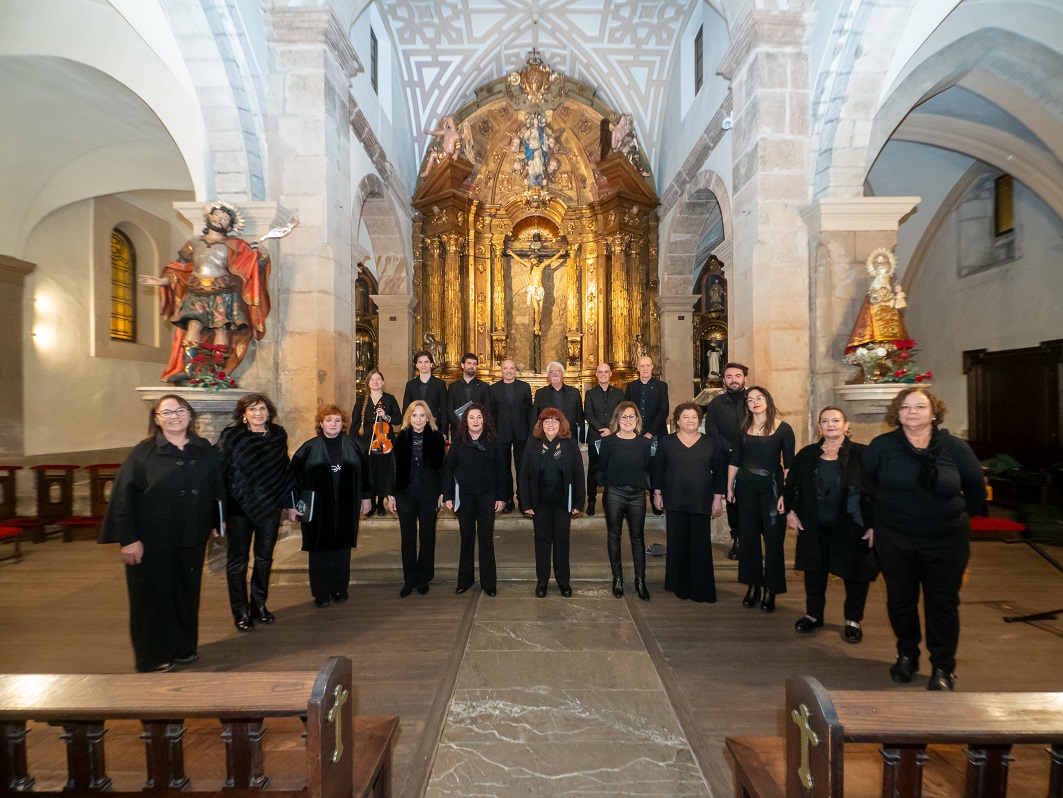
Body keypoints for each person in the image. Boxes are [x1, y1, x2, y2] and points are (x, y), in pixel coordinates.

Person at [865, 387, 986, 691]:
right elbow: (866, 488)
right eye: (905, 407)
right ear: (897, 413)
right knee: (900, 599)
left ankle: (943, 666)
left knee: (942, 603)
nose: (912, 412)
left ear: (934, 413)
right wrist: (873, 525)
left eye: (920, 406)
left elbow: (976, 491)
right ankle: (907, 655)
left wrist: (954, 519)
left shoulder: (956, 448)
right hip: (895, 538)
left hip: (946, 540)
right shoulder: (882, 446)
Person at [99, 394, 224, 673]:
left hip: (192, 534)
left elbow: (216, 486)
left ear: (190, 415)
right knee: (152, 598)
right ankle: (153, 657)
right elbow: (122, 498)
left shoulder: (204, 448)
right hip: (152, 538)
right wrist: (129, 540)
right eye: (166, 412)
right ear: (156, 419)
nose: (174, 416)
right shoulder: (142, 453)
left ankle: (183, 647)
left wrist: (217, 521)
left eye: (180, 410)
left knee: (186, 593)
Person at [139, 201, 270, 384]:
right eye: (216, 215)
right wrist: (162, 281)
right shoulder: (193, 243)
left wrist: (263, 255)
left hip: (223, 291)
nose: (219, 219)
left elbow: (253, 267)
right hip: (196, 290)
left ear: (229, 226)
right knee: (193, 325)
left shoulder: (235, 245)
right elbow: (180, 268)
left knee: (221, 327)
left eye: (224, 218)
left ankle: (217, 371)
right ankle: (189, 369)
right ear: (209, 217)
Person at [784, 407, 877, 643]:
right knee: (814, 571)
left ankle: (853, 620)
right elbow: (791, 485)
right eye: (825, 421)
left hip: (853, 526)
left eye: (836, 420)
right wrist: (791, 512)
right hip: (814, 525)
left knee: (855, 574)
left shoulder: (862, 454)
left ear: (846, 426)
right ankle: (814, 615)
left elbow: (878, 491)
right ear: (819, 427)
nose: (830, 424)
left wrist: (874, 524)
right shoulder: (807, 454)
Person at [216, 393, 296, 632]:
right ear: (243, 414)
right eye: (252, 409)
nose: (258, 413)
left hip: (270, 507)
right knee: (238, 561)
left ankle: (258, 605)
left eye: (262, 408)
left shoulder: (278, 435)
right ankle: (240, 611)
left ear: (269, 412)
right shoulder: (232, 436)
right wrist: (217, 512)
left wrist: (290, 502)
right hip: (238, 508)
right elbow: (220, 472)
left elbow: (284, 470)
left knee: (264, 558)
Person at [291, 405, 372, 607]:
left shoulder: (356, 446)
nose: (333, 424)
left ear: (343, 423)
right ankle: (321, 593)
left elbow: (366, 474)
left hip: (346, 504)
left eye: (337, 420)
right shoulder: (308, 448)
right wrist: (292, 505)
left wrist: (366, 497)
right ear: (321, 423)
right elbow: (293, 478)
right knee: (319, 550)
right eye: (328, 420)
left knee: (342, 549)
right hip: (317, 507)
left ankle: (339, 589)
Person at [727, 386, 795, 613]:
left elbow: (789, 466)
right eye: (750, 399)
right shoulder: (742, 428)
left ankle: (771, 589)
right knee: (748, 539)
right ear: (746, 405)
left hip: (772, 490)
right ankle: (753, 585)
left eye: (759, 398)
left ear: (768, 400)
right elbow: (735, 461)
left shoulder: (784, 429)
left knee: (774, 540)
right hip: (746, 488)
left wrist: (785, 494)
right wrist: (729, 487)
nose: (755, 402)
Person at [651, 403, 728, 603]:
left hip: (701, 500)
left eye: (694, 417)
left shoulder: (710, 443)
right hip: (674, 499)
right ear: (677, 421)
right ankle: (680, 585)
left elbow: (720, 472)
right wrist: (657, 493)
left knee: (700, 545)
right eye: (685, 417)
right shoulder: (667, 442)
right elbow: (658, 469)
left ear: (699, 420)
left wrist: (717, 498)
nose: (690, 421)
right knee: (677, 544)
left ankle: (700, 587)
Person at [519, 408, 585, 598]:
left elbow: (579, 475)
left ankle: (563, 581)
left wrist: (579, 502)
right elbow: (523, 476)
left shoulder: (570, 444)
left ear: (561, 424)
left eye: (554, 421)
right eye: (546, 421)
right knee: (542, 543)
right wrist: (525, 503)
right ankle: (542, 582)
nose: (550, 424)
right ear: (540, 425)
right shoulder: (532, 444)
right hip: (540, 503)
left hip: (563, 503)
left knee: (562, 542)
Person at [443, 404, 507, 596]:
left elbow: (502, 471)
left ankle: (489, 583)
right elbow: (449, 469)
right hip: (465, 497)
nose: (475, 421)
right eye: (471, 417)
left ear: (484, 419)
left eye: (479, 417)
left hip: (487, 495)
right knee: (466, 538)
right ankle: (465, 580)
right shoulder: (458, 441)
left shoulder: (493, 441)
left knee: (486, 539)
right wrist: (448, 496)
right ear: (466, 421)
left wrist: (501, 497)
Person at [387, 401, 446, 597]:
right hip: (405, 494)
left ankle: (423, 578)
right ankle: (409, 580)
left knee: (427, 537)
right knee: (408, 538)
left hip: (429, 494)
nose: (418, 419)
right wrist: (390, 494)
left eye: (422, 415)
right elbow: (392, 467)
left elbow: (443, 468)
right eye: (414, 415)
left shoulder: (437, 438)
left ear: (427, 418)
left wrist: (442, 493)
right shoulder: (401, 438)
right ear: (409, 418)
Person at [597, 401, 653, 601]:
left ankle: (640, 580)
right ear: (617, 420)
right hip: (615, 494)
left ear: (637, 419)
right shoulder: (608, 442)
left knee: (638, 538)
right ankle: (618, 579)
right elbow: (602, 467)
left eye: (631, 416)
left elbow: (647, 468)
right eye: (624, 416)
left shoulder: (644, 443)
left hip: (637, 495)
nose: (628, 420)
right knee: (614, 536)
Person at [704, 362, 749, 560]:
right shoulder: (716, 404)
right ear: (723, 380)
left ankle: (752, 539)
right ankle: (737, 538)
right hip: (726, 458)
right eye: (729, 377)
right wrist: (731, 449)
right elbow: (712, 431)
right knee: (732, 500)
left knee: (751, 499)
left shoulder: (754, 399)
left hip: (751, 458)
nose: (733, 380)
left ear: (745, 378)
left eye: (737, 376)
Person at [352, 369, 401, 516]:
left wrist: (385, 416)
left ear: (383, 382)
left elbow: (398, 420)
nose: (375, 382)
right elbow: (355, 422)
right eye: (372, 379)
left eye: (378, 379)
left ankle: (381, 504)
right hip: (367, 441)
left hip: (385, 440)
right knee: (369, 471)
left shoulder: (389, 399)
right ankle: (371, 502)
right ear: (368, 383)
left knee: (383, 471)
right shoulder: (361, 400)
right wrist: (354, 443)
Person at [625, 356, 668, 514]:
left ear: (652, 367)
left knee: (656, 468)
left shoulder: (661, 386)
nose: (645, 369)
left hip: (655, 435)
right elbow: (626, 409)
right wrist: (634, 431)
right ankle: (637, 505)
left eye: (648, 365)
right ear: (638, 368)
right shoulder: (631, 387)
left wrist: (650, 433)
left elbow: (664, 411)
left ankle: (656, 503)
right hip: (635, 436)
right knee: (638, 468)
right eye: (642, 366)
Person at [489, 359, 533, 512]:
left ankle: (523, 499)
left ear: (516, 370)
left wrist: (530, 433)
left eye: (511, 368)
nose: (508, 371)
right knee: (503, 469)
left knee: (522, 468)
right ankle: (507, 499)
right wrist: (492, 433)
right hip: (501, 434)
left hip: (521, 433)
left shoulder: (524, 387)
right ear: (501, 370)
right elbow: (491, 414)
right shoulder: (493, 389)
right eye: (505, 368)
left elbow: (529, 411)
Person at [583, 362, 624, 516]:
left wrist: (611, 430)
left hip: (614, 437)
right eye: (600, 372)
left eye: (606, 372)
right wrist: (602, 429)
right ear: (596, 375)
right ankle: (591, 501)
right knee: (593, 469)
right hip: (596, 436)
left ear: (611, 374)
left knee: (612, 469)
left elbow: (621, 414)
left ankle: (610, 502)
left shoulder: (619, 393)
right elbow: (588, 414)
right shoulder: (590, 393)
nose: (603, 374)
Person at [507, 248, 567, 335]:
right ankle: (537, 325)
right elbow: (520, 260)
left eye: (534, 259)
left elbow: (552, 260)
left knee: (541, 310)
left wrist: (560, 253)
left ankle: (536, 327)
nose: (533, 261)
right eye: (532, 260)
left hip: (540, 289)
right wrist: (511, 253)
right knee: (537, 308)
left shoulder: (541, 266)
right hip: (533, 289)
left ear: (537, 259)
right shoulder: (530, 267)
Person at [402, 349, 450, 438]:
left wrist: (444, 432)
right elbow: (406, 409)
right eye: (420, 362)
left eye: (426, 362)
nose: (423, 365)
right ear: (416, 365)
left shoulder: (440, 384)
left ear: (431, 364)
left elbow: (444, 410)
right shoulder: (410, 385)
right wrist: (405, 430)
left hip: (435, 427)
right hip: (415, 427)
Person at [531, 362, 584, 442]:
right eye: (552, 372)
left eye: (558, 372)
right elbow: (534, 417)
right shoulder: (541, 393)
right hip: (548, 437)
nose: (555, 375)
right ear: (548, 375)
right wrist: (533, 439)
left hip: (570, 436)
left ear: (563, 374)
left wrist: (582, 439)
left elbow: (580, 417)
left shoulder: (574, 392)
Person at [447, 352, 492, 431]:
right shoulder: (453, 387)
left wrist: (475, 425)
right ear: (462, 365)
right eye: (469, 363)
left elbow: (487, 410)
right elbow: (449, 411)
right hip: (458, 431)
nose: (472, 366)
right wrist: (461, 425)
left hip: (478, 431)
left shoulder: (484, 387)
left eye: (474, 364)